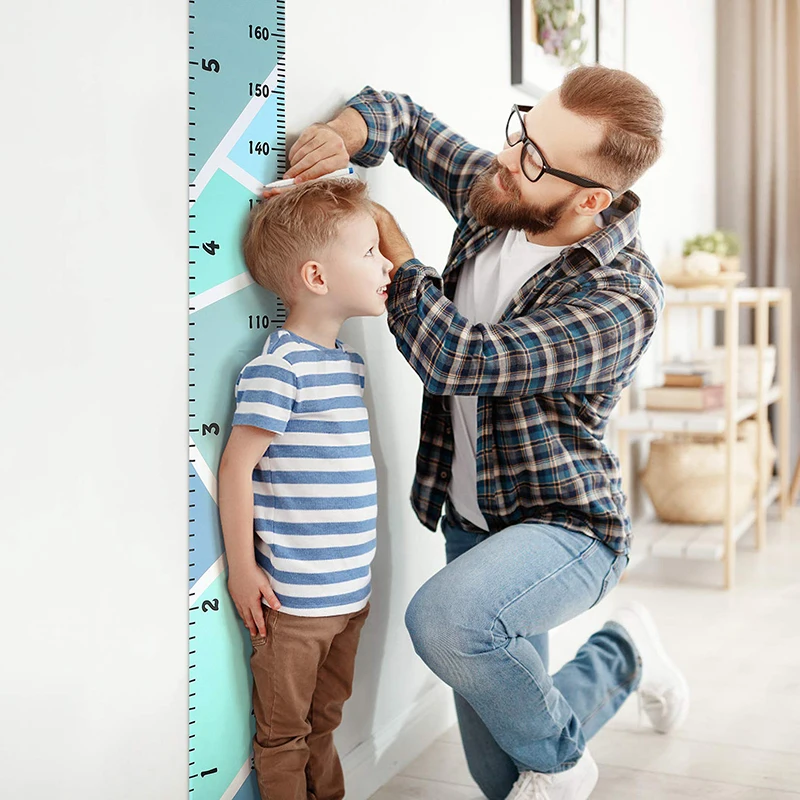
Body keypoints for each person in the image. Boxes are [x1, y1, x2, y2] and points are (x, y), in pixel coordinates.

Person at [279, 65, 689, 800]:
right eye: (521, 129)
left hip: (566, 526)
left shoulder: (621, 296)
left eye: (534, 157)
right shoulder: (510, 190)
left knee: (444, 622)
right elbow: (402, 120)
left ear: (591, 198)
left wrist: (400, 257)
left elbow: (461, 359)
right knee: (501, 777)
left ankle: (568, 767)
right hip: (472, 520)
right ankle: (625, 653)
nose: (507, 157)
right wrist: (342, 134)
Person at [217, 178, 392, 800]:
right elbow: (237, 467)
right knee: (285, 734)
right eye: (370, 251)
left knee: (326, 721)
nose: (388, 263)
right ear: (317, 277)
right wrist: (244, 569)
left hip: (350, 594)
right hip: (293, 605)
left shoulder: (347, 362)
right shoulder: (278, 368)